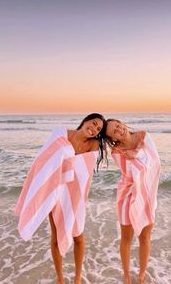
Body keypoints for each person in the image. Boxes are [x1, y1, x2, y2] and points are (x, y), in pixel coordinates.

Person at [15, 113, 106, 284]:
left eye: (98, 129)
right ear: (85, 120)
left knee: (78, 235)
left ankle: (78, 279)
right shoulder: (61, 133)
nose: (94, 129)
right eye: (93, 123)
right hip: (55, 189)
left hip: (76, 194)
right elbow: (45, 159)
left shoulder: (94, 144)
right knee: (56, 235)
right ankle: (60, 279)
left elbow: (85, 172)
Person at [102, 119, 160, 284]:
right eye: (114, 131)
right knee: (126, 238)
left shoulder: (143, 136)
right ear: (112, 137)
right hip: (126, 194)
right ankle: (126, 274)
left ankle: (142, 273)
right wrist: (134, 158)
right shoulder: (116, 151)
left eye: (118, 125)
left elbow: (155, 163)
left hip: (147, 193)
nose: (119, 129)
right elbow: (131, 174)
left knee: (145, 237)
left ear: (122, 123)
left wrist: (137, 155)